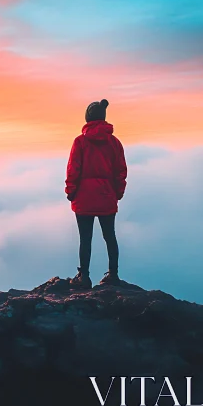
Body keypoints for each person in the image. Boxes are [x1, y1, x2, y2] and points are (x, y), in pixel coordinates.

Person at [65, 99, 127, 287]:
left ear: (88, 117)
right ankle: (113, 275)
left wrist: (71, 191)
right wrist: (117, 192)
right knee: (110, 236)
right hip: (107, 196)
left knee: (85, 238)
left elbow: (73, 169)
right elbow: (121, 171)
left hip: (84, 198)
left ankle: (83, 277)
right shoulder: (114, 143)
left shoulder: (80, 142)